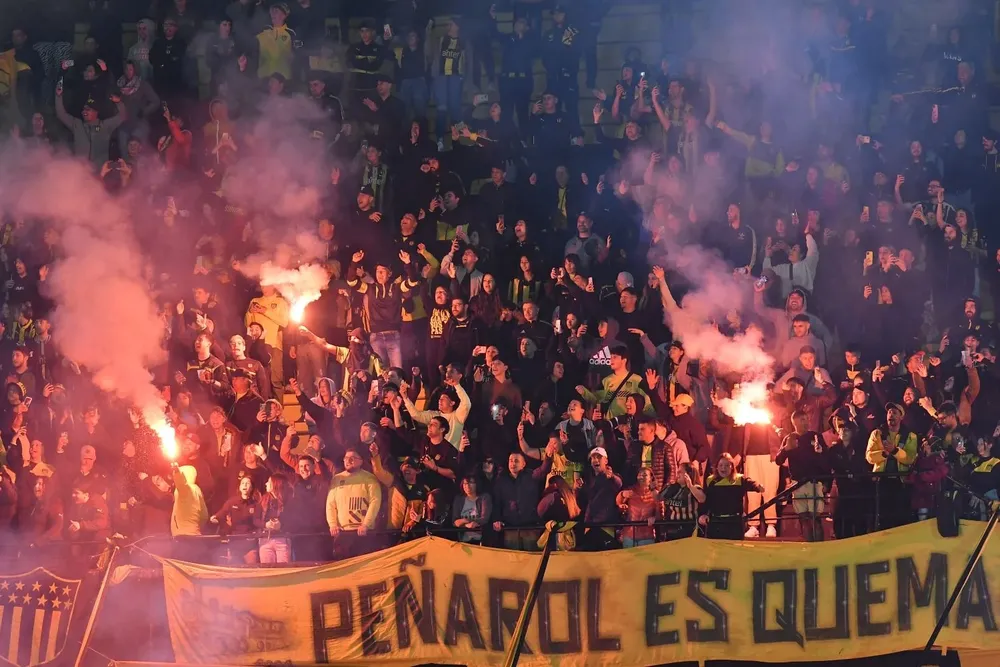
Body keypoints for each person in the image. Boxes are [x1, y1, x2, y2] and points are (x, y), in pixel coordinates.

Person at [326, 447, 382, 558]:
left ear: (361, 461)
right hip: (342, 533)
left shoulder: (369, 478)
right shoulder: (337, 479)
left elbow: (375, 502)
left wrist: (366, 524)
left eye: (353, 458)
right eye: (346, 458)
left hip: (363, 533)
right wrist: (332, 524)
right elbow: (330, 505)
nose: (348, 460)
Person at [702, 453, 764, 540]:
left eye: (727, 465)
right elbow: (706, 499)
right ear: (717, 467)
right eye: (721, 465)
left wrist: (758, 487)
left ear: (732, 467)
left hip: (734, 523)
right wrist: (703, 514)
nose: (723, 468)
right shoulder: (710, 480)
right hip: (715, 523)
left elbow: (751, 483)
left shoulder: (739, 479)